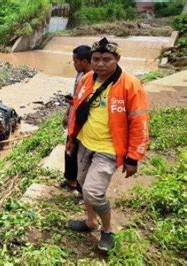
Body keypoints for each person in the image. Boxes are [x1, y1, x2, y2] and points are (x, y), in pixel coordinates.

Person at [65, 37, 149, 251]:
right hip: (85, 143)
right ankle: (90, 221)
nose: (100, 64)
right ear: (91, 60)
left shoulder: (130, 85)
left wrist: (133, 158)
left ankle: (108, 229)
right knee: (84, 186)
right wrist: (71, 139)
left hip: (110, 148)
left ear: (117, 59)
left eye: (106, 59)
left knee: (94, 191)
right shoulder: (87, 80)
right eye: (96, 59)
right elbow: (78, 111)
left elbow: (139, 122)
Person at [61, 45, 93, 194]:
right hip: (74, 119)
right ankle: (70, 180)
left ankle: (80, 189)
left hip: (84, 122)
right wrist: (67, 113)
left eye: (75, 61)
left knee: (80, 155)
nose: (73, 64)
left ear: (85, 61)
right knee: (69, 150)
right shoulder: (80, 75)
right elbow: (76, 97)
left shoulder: (94, 79)